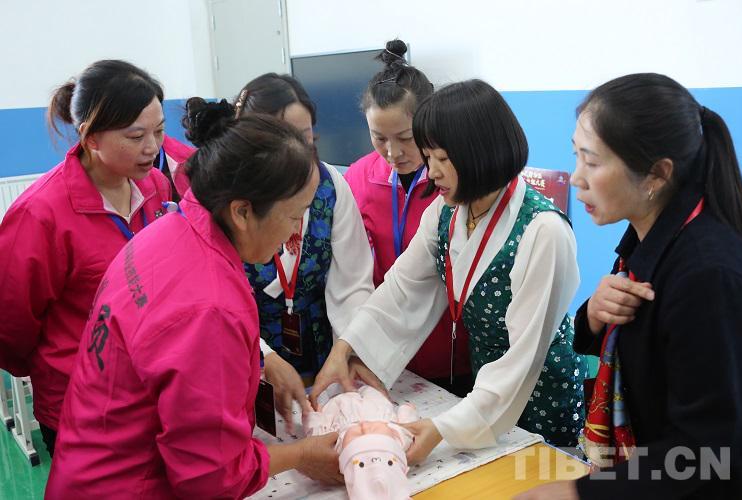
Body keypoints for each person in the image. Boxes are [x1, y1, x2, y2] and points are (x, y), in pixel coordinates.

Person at [46, 115, 342, 498]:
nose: (294, 234)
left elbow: (166, 351)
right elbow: (211, 477)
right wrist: (301, 455)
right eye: (293, 216)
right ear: (242, 212)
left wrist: (257, 360)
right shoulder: (211, 307)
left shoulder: (166, 230)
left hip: (85, 465)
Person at [311, 79, 587, 463]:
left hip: (538, 398)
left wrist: (445, 428)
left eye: (442, 158)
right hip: (483, 395)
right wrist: (347, 347)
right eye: (428, 157)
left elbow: (523, 357)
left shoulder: (543, 231)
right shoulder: (446, 212)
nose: (431, 171)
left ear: (479, 152)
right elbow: (402, 288)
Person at [517, 74, 742, 500]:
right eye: (576, 156)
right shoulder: (645, 240)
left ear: (656, 175)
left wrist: (577, 493)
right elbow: (615, 340)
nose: (576, 178)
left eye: (592, 162)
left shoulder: (707, 274)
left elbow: (707, 448)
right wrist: (593, 313)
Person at [0, 60, 176, 456]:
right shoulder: (40, 215)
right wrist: (57, 368)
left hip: (151, 391)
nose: (153, 147)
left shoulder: (156, 187)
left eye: (159, 131)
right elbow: (11, 324)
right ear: (91, 137)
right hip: (81, 408)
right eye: (136, 136)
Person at [216, 73, 374, 430]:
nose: (300, 152)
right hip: (246, 364)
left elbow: (352, 284)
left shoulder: (330, 186)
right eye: (285, 138)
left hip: (322, 359)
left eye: (307, 138)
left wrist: (347, 349)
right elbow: (218, 301)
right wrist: (264, 357)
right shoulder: (228, 200)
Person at [344, 39, 472, 395]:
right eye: (379, 138)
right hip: (384, 348)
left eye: (405, 137)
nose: (392, 152)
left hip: (452, 347)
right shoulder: (357, 178)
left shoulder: (454, 181)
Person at [304, 386, 417, 499]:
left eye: (358, 435)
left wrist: (313, 415)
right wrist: (408, 410)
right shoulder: (401, 441)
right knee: (373, 389)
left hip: (338, 405)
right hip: (376, 406)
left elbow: (316, 436)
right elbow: (409, 426)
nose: (364, 427)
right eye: (375, 432)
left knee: (319, 395)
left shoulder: (334, 451)